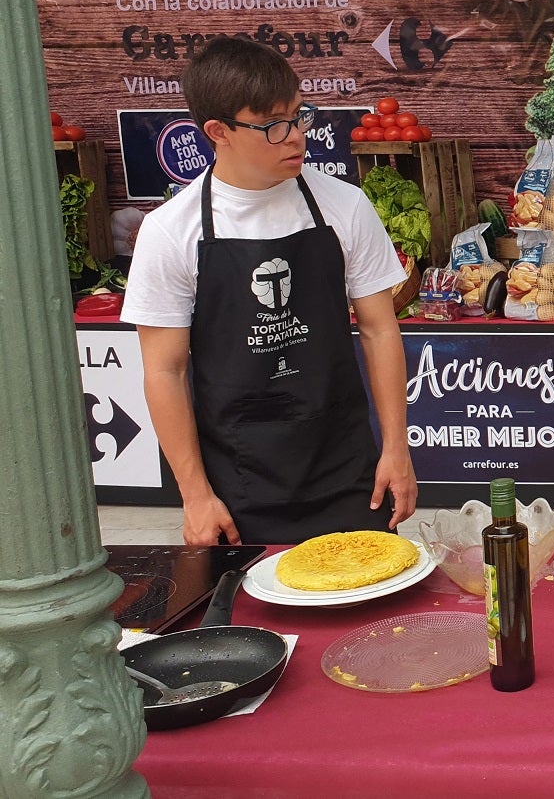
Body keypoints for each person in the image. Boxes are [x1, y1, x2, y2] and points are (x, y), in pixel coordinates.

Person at [122, 37, 417, 546]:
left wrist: (397, 449)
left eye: (299, 116)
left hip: (347, 468)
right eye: (272, 125)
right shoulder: (172, 230)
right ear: (219, 132)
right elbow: (163, 371)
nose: (296, 137)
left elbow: (378, 329)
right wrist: (195, 495)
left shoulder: (344, 205)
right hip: (236, 481)